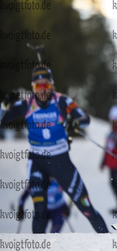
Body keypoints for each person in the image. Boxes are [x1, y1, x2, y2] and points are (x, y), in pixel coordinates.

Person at [0, 65, 108, 233]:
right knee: (40, 211)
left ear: (52, 85)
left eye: (46, 85)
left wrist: (75, 122)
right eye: (38, 86)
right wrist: (4, 105)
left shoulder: (61, 101)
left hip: (61, 163)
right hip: (37, 162)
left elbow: (84, 118)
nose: (42, 90)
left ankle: (109, 242)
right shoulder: (27, 104)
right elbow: (2, 119)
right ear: (33, 87)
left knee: (86, 207)